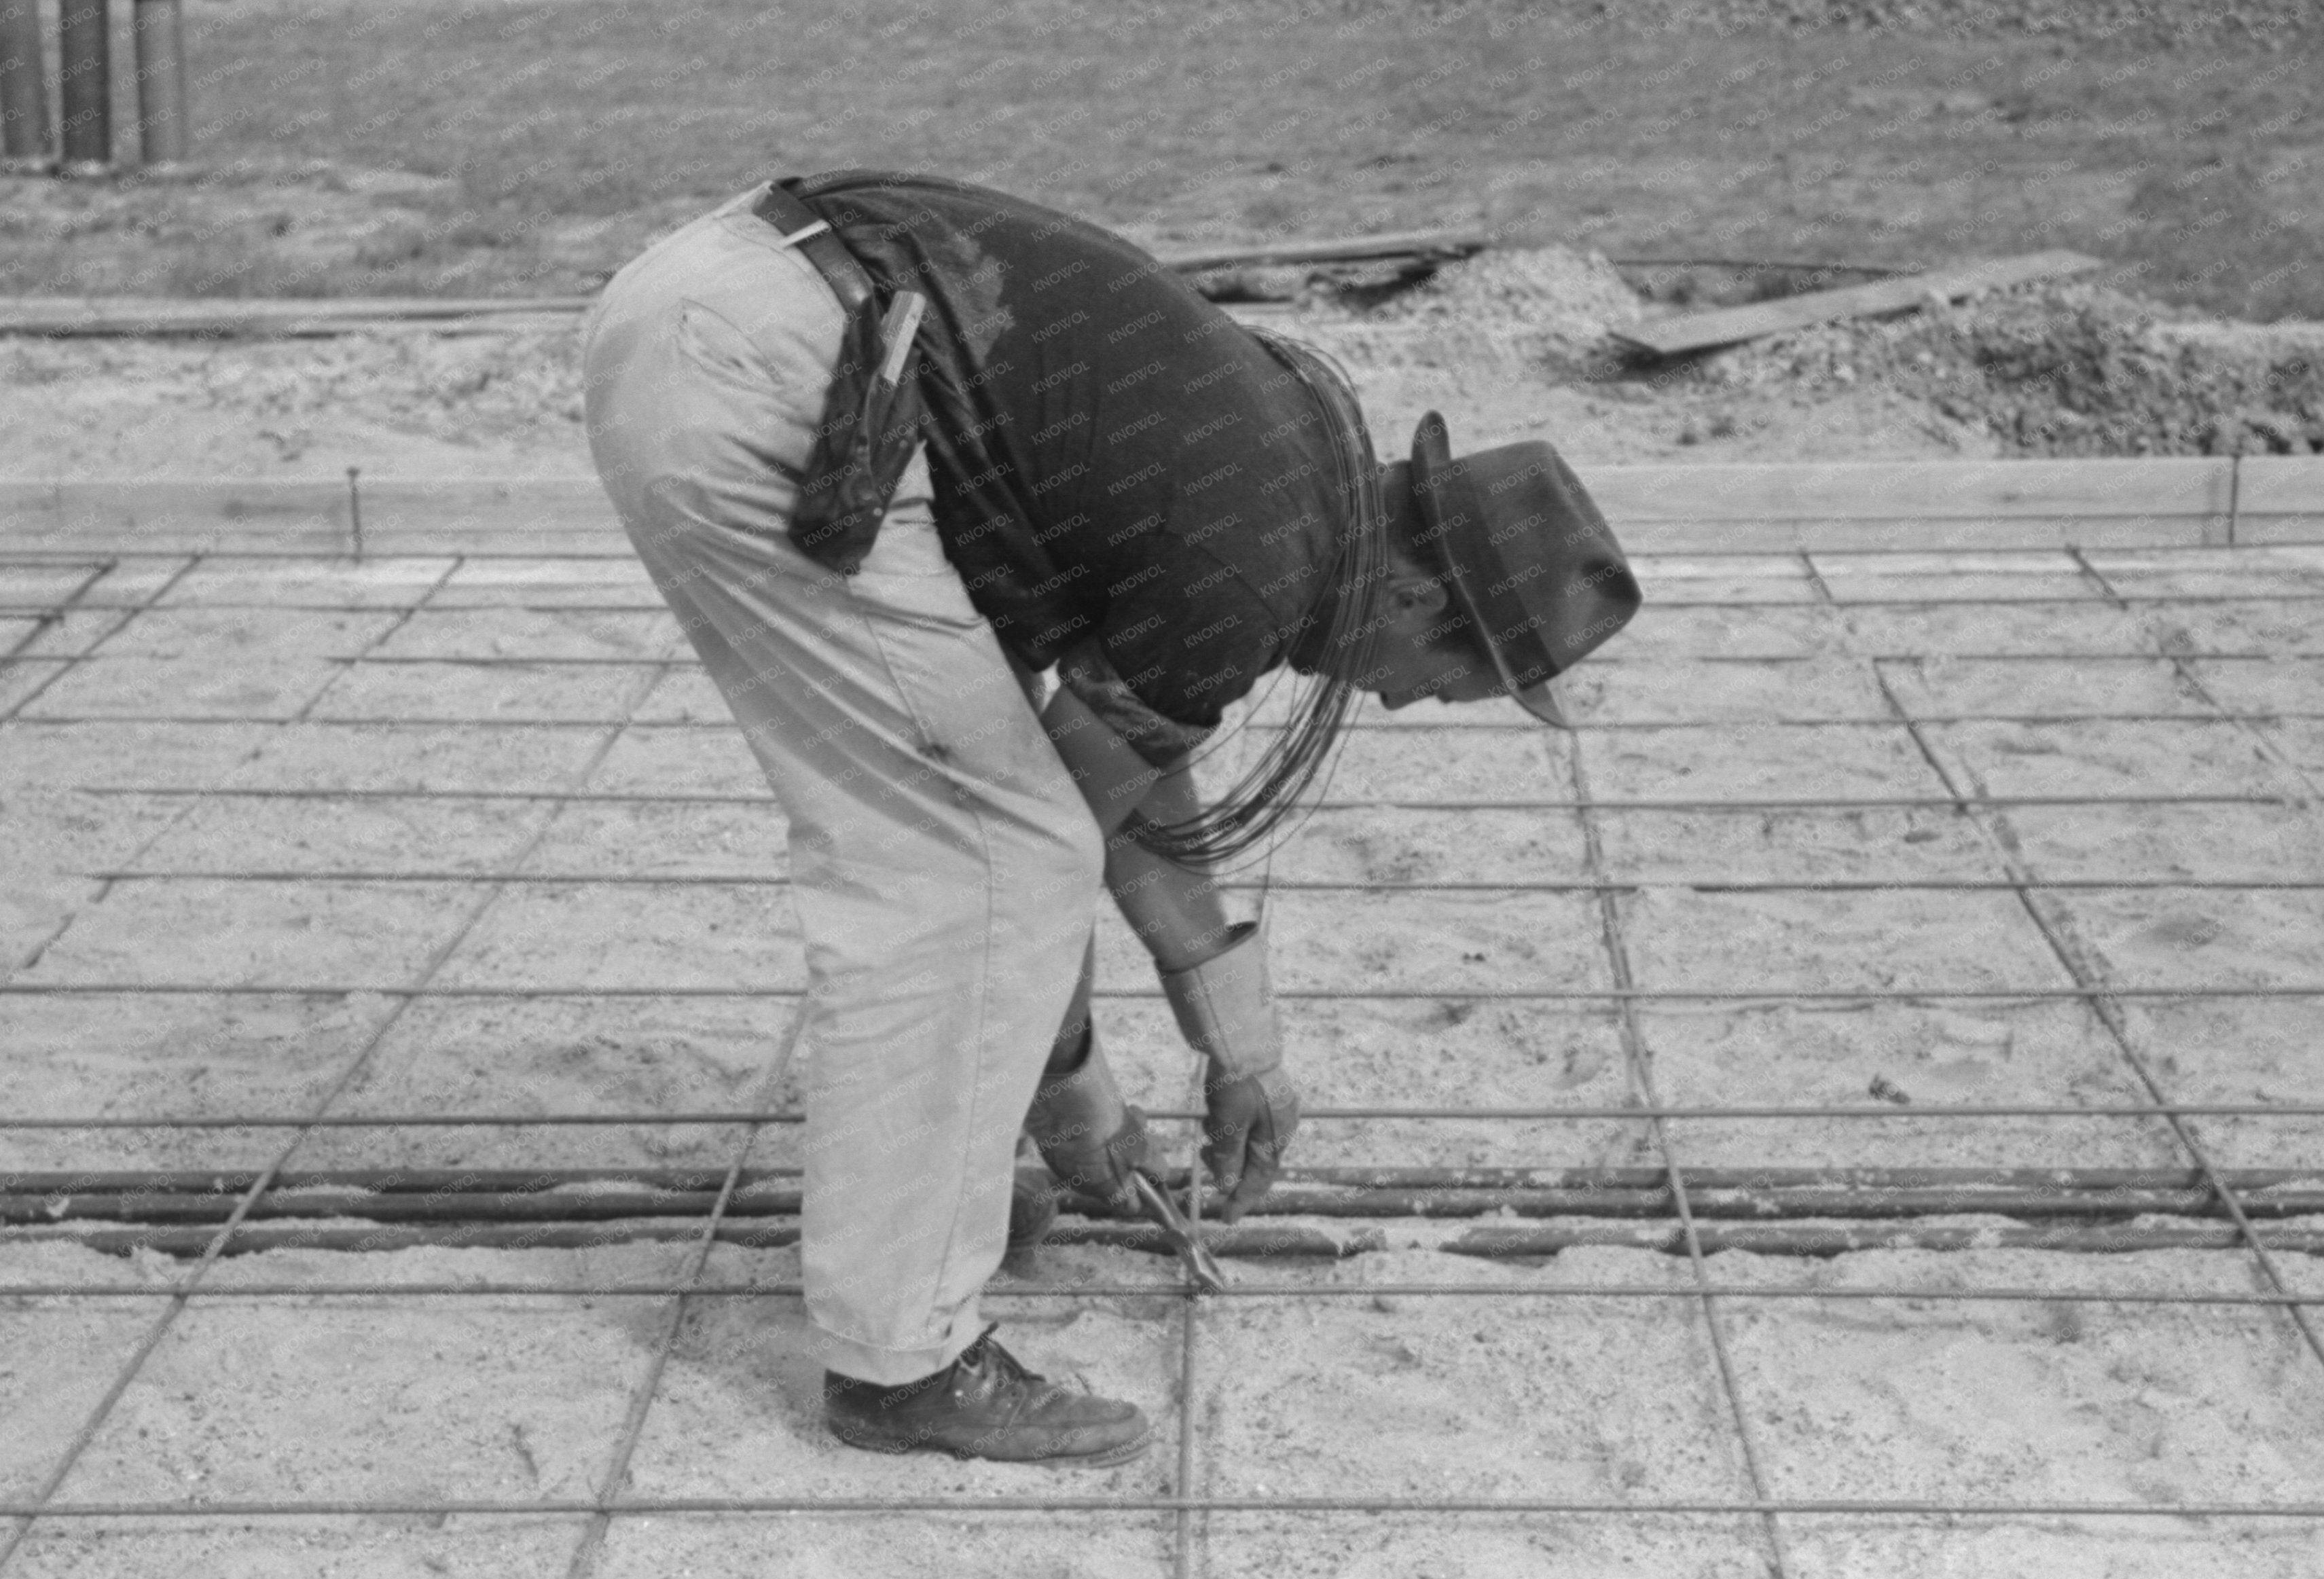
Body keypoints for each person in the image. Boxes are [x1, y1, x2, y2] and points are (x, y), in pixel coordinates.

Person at [581, 170, 1638, 1466]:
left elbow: (1132, 768)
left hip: (748, 305)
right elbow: (1062, 829)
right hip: (769, 375)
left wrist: (1240, 1049)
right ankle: (900, 1364)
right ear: (1423, 602)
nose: (1420, 704)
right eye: (1462, 683)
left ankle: (927, 1219)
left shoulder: (1293, 484)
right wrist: (1075, 1095)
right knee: (973, 869)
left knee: (999, 843)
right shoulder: (1252, 566)